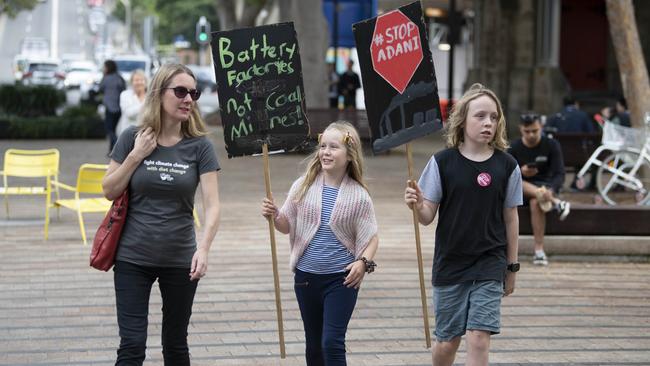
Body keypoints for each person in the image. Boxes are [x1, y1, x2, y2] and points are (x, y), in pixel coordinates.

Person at [102, 63, 221, 365]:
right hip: (132, 257)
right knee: (131, 346)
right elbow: (109, 189)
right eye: (180, 91)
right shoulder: (132, 137)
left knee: (176, 344)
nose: (188, 99)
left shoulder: (200, 147)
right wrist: (136, 155)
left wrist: (204, 249)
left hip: (181, 259)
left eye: (193, 93)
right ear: (159, 93)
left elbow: (213, 204)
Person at [404, 83, 522, 366]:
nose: (488, 123)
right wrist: (417, 204)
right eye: (480, 116)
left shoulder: (507, 166)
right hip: (451, 263)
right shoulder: (442, 162)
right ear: (462, 120)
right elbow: (427, 216)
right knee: (447, 342)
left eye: (494, 117)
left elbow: (511, 217)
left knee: (479, 337)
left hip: (490, 262)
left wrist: (512, 267)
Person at [261, 121, 379, 365]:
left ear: (350, 155)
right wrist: (275, 215)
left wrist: (363, 262)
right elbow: (286, 226)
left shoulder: (359, 195)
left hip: (341, 279)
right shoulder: (303, 186)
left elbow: (371, 237)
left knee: (331, 342)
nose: (325, 152)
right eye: (323, 145)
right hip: (306, 278)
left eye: (333, 147)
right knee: (314, 345)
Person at [508, 112, 570, 266]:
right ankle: (557, 203)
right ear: (521, 129)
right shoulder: (514, 147)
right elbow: (506, 175)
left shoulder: (551, 145)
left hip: (545, 189)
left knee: (537, 201)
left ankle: (539, 251)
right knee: (516, 180)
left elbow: (560, 173)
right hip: (520, 189)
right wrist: (521, 171)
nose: (531, 135)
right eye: (527, 131)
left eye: (535, 131)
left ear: (541, 127)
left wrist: (552, 189)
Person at [98, 60, 127, 153]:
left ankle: (117, 146)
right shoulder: (119, 77)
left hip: (109, 107)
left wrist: (104, 75)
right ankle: (112, 150)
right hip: (119, 107)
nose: (103, 68)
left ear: (108, 68)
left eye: (104, 67)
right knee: (114, 129)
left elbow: (100, 88)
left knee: (109, 129)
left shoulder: (106, 78)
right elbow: (124, 89)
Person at [116, 69, 147, 137]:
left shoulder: (149, 96)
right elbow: (129, 113)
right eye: (136, 80)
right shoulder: (125, 94)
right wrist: (146, 104)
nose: (139, 82)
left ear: (145, 82)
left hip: (145, 135)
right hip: (127, 134)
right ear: (131, 82)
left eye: (141, 80)